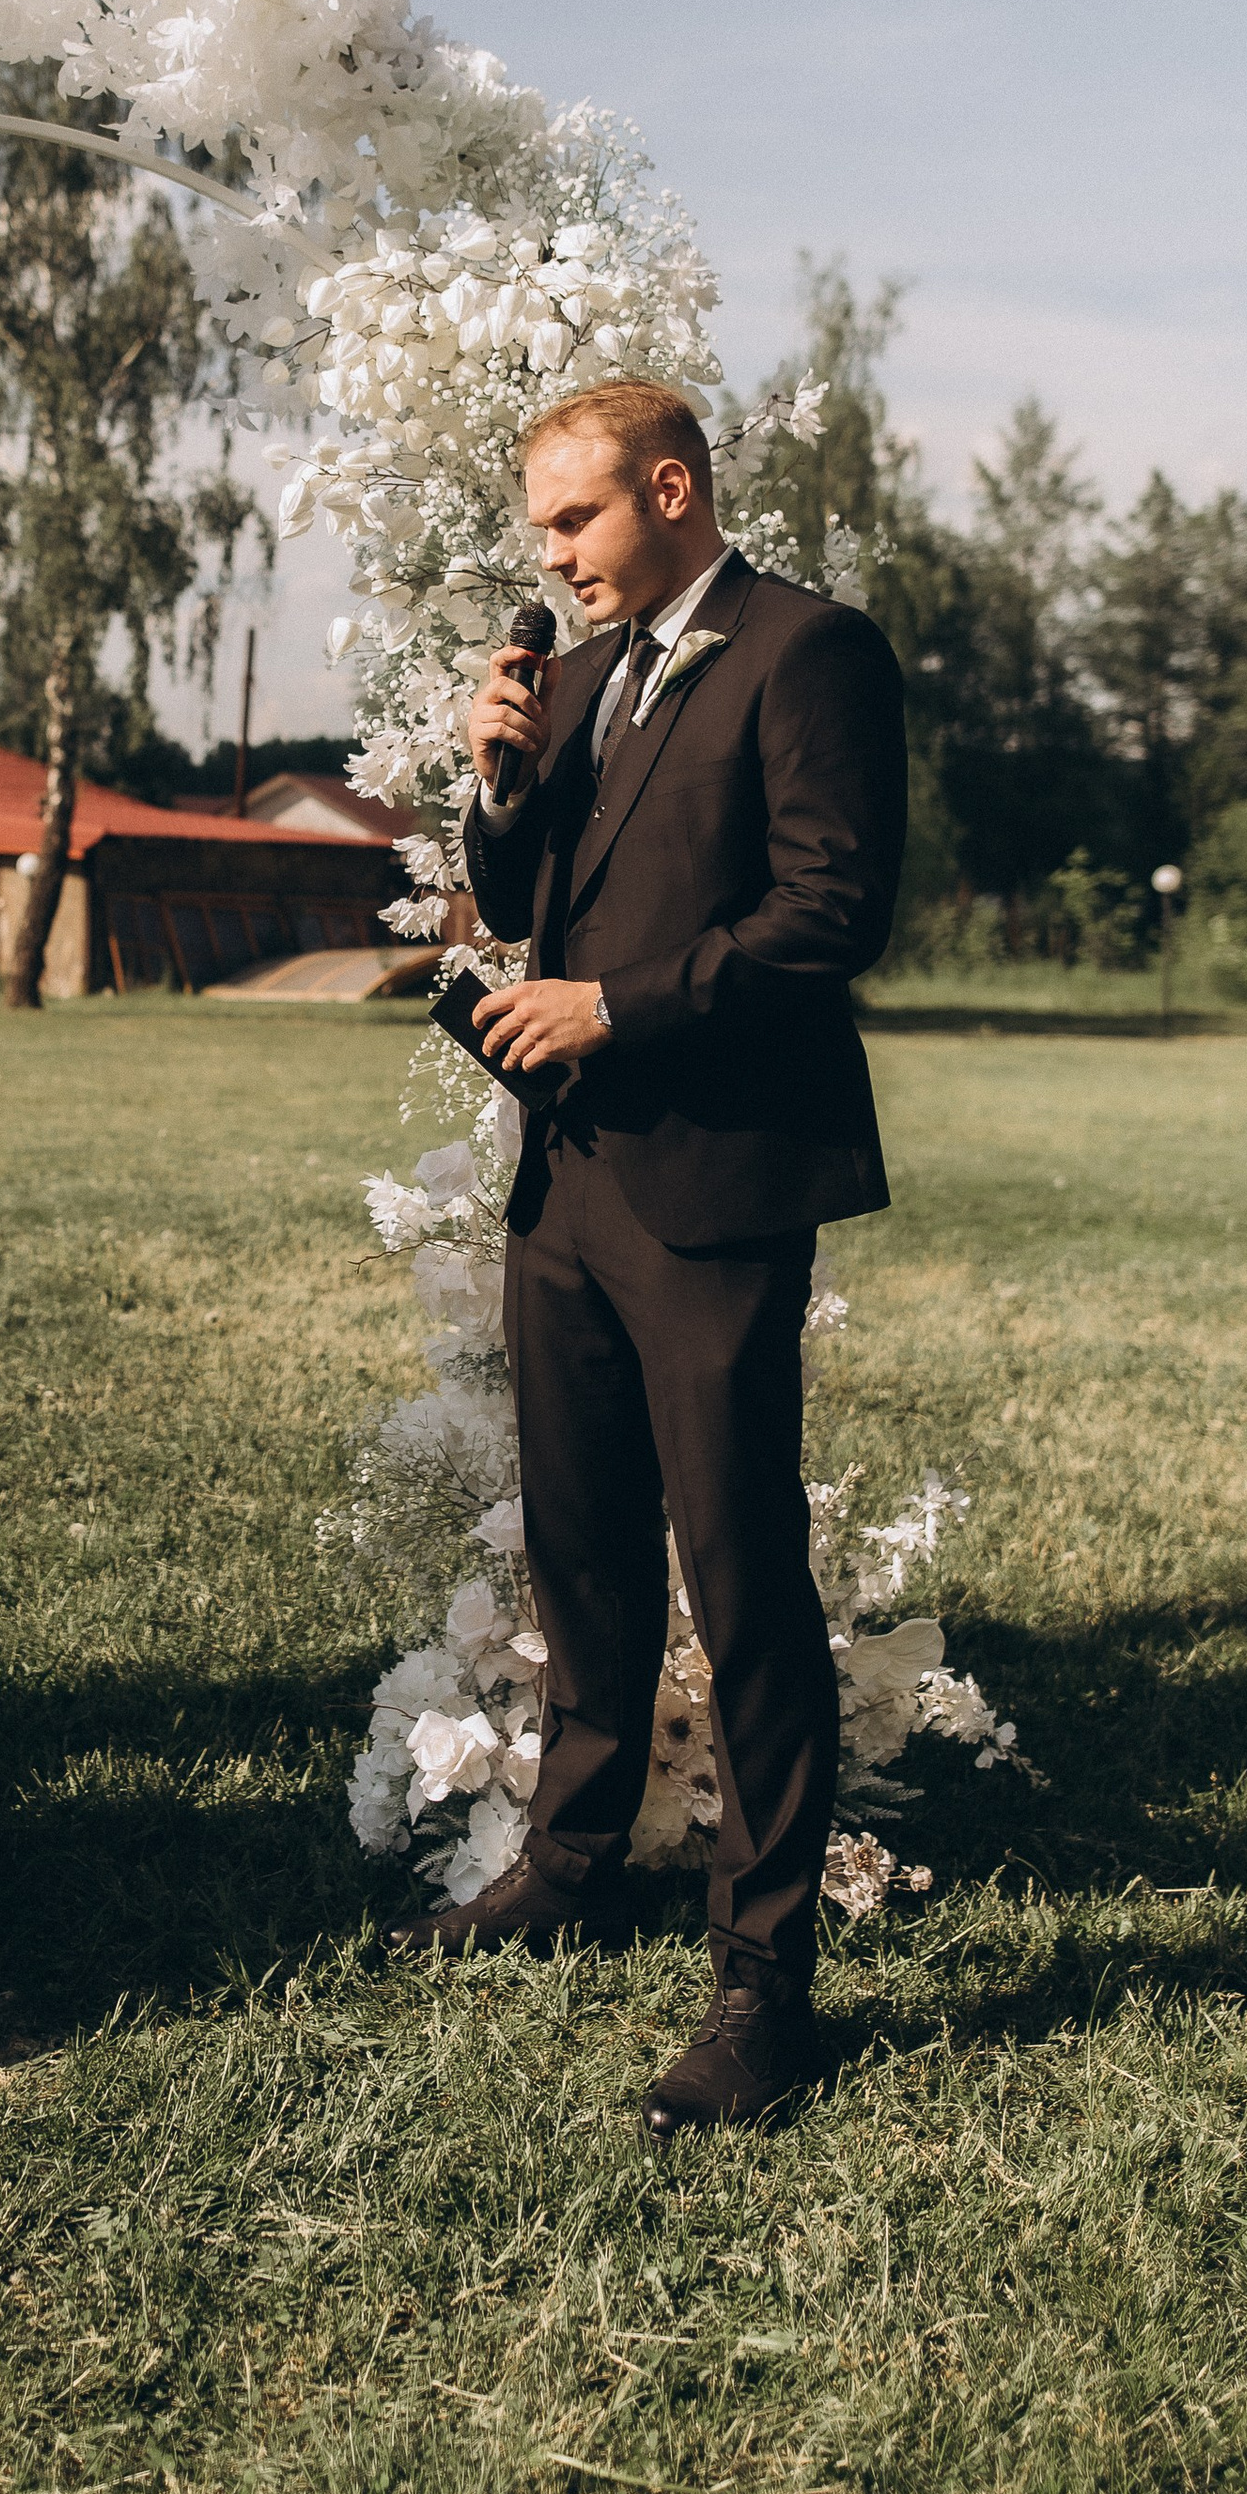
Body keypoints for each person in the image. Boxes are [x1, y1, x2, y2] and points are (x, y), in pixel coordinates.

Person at [393, 382, 906, 2137]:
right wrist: (498, 782)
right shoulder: (597, 675)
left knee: (743, 1574)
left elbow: (831, 911)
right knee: (582, 1541)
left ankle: (766, 1986)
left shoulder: (809, 653)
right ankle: (573, 1859)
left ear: (670, 490)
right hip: (573, 1176)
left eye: (572, 523)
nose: (551, 558)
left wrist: (614, 1005)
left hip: (715, 1182)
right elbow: (535, 886)